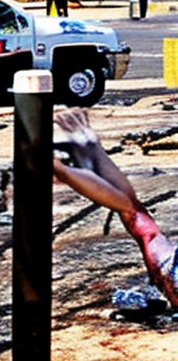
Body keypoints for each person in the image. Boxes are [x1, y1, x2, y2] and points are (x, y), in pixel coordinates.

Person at [53, 108, 178, 309]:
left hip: (170, 276)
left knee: (133, 213)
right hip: (170, 276)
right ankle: (87, 148)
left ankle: (68, 163)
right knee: (133, 211)